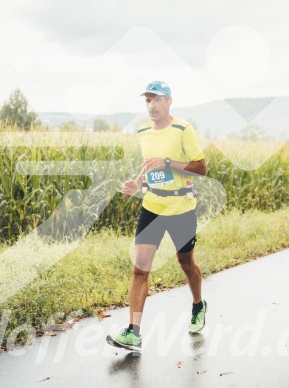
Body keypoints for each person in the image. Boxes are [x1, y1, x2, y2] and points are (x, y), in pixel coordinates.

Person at [106, 80, 208, 352]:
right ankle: (133, 332)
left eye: (156, 100)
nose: (151, 105)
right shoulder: (142, 132)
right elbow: (149, 167)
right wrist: (136, 183)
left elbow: (201, 168)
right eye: (147, 101)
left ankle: (198, 304)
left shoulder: (183, 129)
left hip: (181, 209)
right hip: (152, 207)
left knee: (186, 263)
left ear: (169, 101)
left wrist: (168, 163)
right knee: (140, 269)